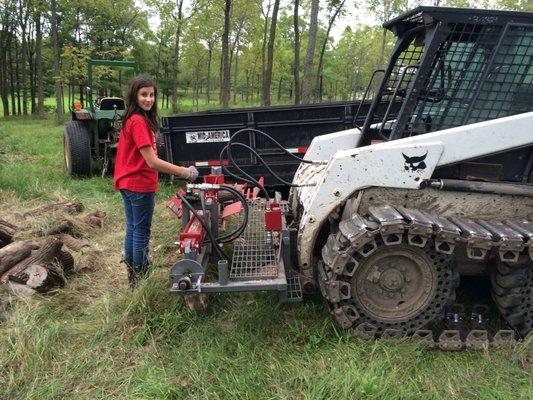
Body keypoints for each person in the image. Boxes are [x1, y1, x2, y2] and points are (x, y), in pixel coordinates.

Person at [114, 75, 198, 286]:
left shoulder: (131, 119)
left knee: (133, 228)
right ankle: (141, 279)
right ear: (135, 96)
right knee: (141, 231)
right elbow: (152, 162)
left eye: (151, 95)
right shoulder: (138, 122)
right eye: (144, 95)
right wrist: (185, 172)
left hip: (127, 183)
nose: (148, 99)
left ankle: (133, 277)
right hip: (139, 185)